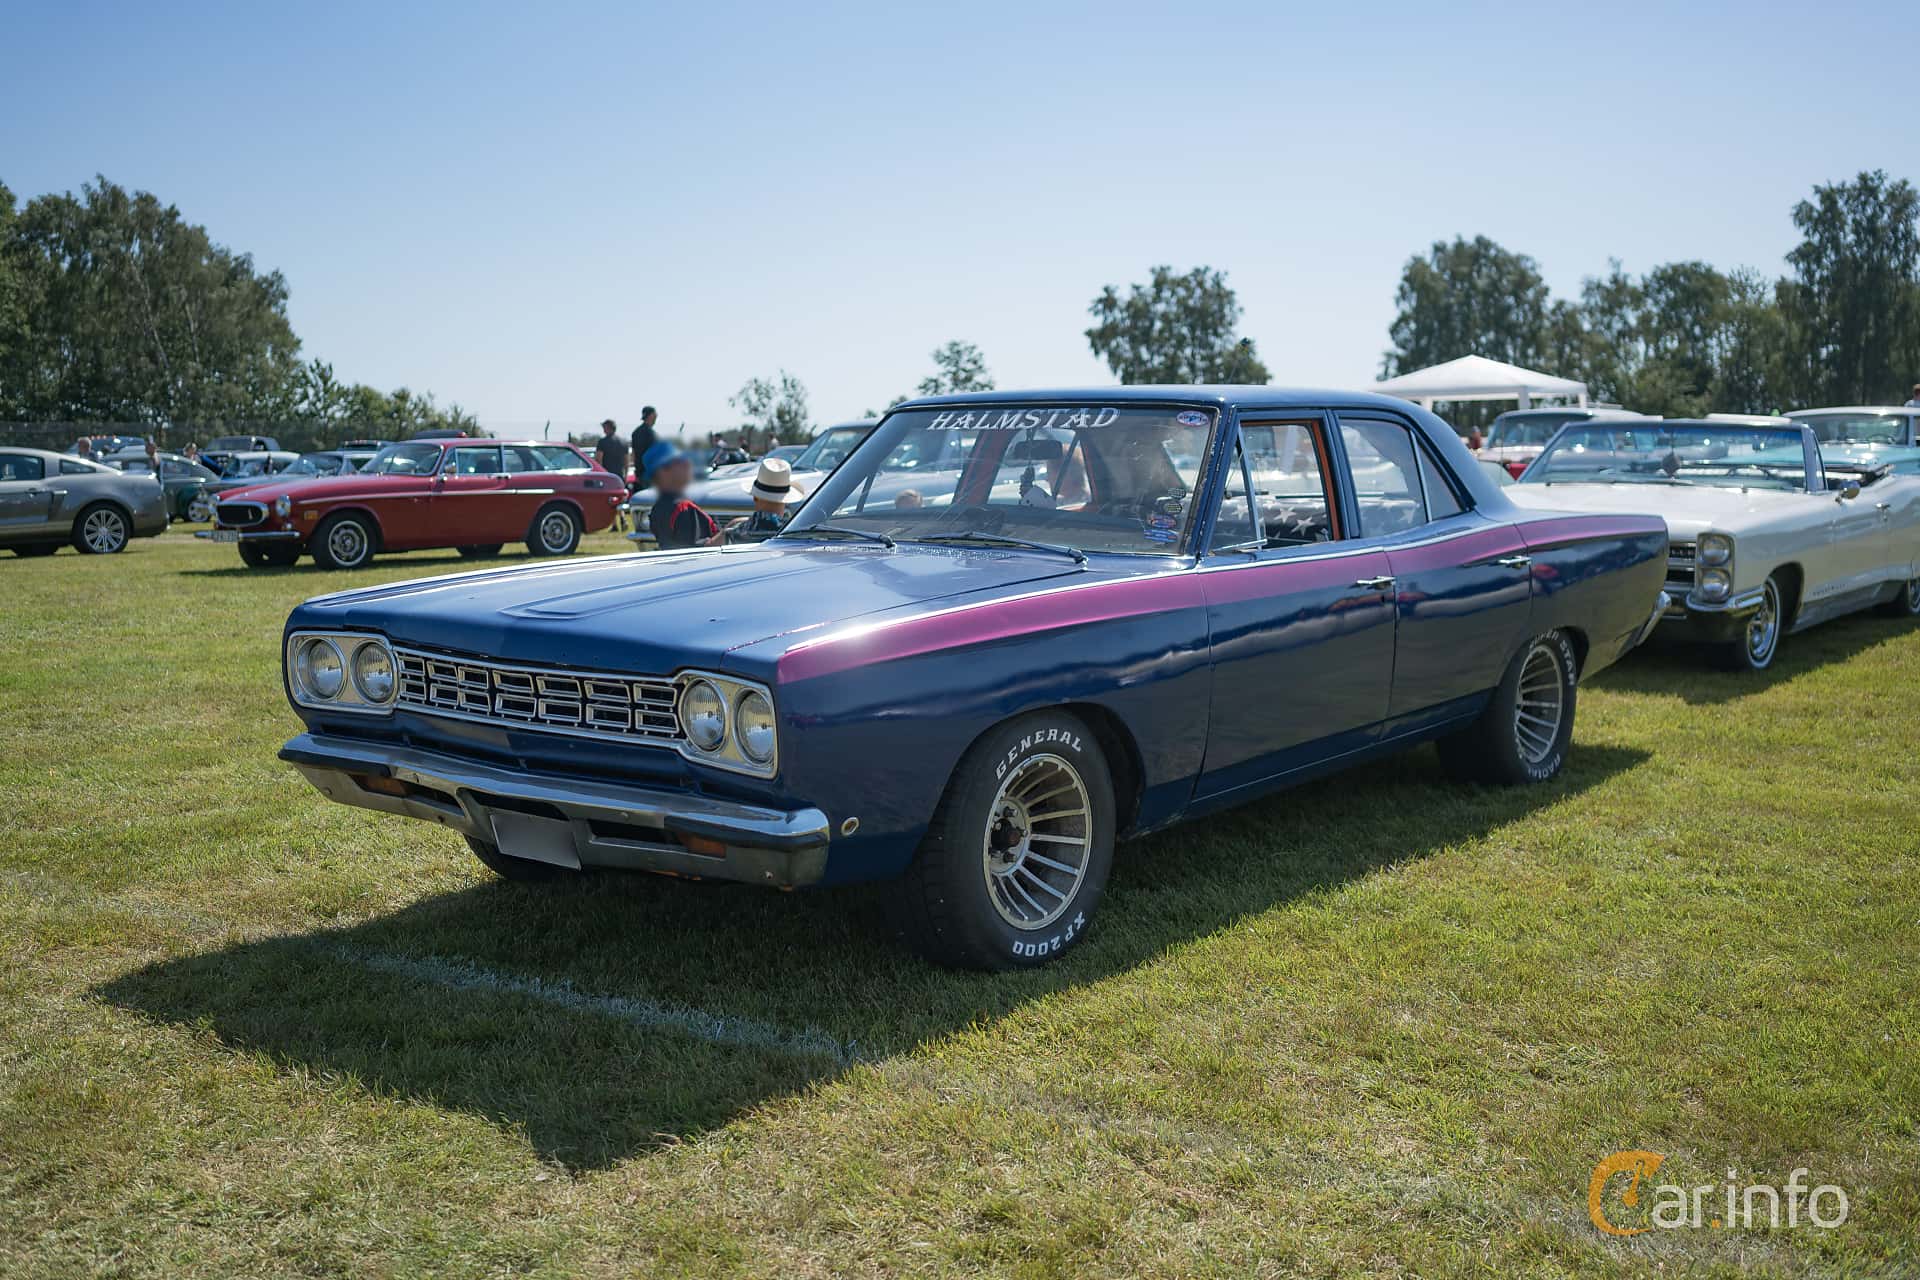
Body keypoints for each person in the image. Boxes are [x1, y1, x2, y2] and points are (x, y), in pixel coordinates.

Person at [642, 440, 722, 549]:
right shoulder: (683, 509)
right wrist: (727, 533)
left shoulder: (658, 507)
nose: (688, 465)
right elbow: (695, 551)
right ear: (663, 473)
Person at [726, 457, 804, 543]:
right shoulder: (794, 533)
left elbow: (711, 545)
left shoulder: (736, 530)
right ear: (786, 501)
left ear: (755, 497)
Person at [593, 420, 630, 530]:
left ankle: (614, 524)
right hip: (620, 475)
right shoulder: (623, 442)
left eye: (604, 427)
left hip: (608, 475)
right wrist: (626, 475)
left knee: (610, 500)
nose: (603, 429)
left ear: (608, 428)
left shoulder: (603, 442)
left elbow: (598, 459)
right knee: (619, 499)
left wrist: (598, 473)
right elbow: (627, 461)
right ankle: (622, 519)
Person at [630, 406, 659, 489]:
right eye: (655, 415)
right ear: (651, 416)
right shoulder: (652, 434)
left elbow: (634, 454)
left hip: (640, 473)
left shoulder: (636, 432)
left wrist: (637, 472)